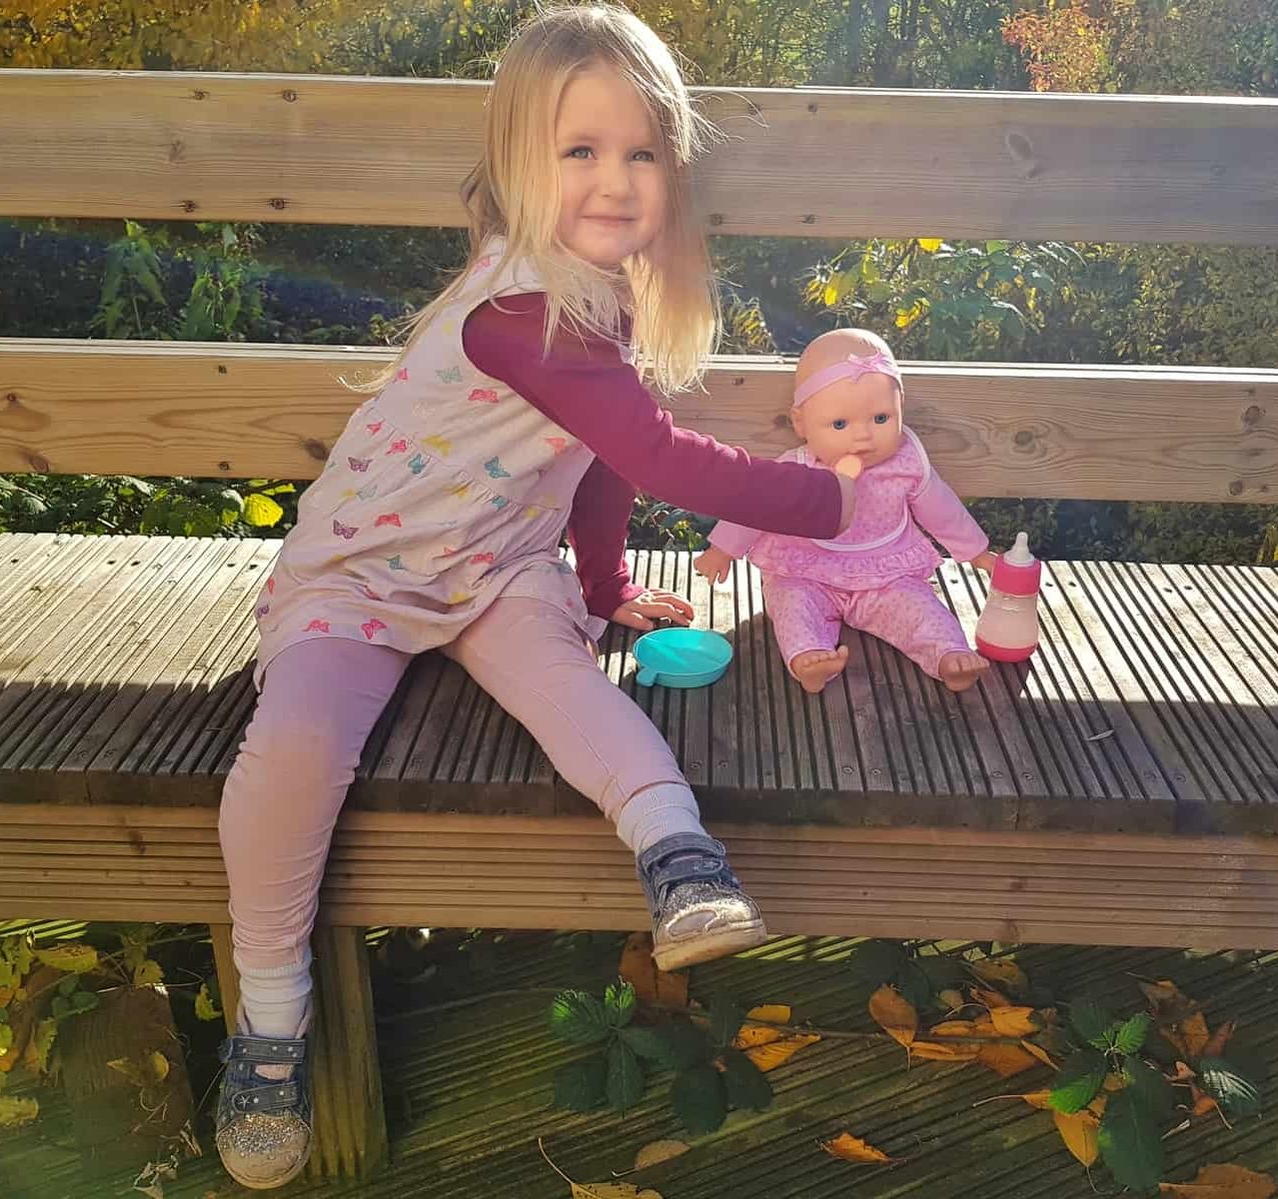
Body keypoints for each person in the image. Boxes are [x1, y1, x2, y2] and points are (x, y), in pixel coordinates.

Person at [212, 5, 857, 1188]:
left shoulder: (599, 300)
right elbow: (664, 458)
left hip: (497, 563)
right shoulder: (520, 310)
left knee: (569, 686)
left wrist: (606, 587)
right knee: (295, 750)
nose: (614, 181)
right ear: (519, 162)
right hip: (361, 574)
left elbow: (601, 464)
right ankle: (270, 1012)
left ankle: (679, 854)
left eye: (642, 152)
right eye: (578, 150)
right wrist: (827, 502)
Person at [695, 328, 996, 695]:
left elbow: (942, 510)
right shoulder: (798, 468)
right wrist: (723, 548)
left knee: (920, 607)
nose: (863, 437)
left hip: (885, 573)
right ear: (801, 423)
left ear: (901, 408)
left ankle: (949, 655)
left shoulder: (906, 463)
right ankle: (809, 658)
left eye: (881, 418)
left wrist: (977, 552)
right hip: (807, 570)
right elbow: (758, 506)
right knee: (792, 602)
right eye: (840, 424)